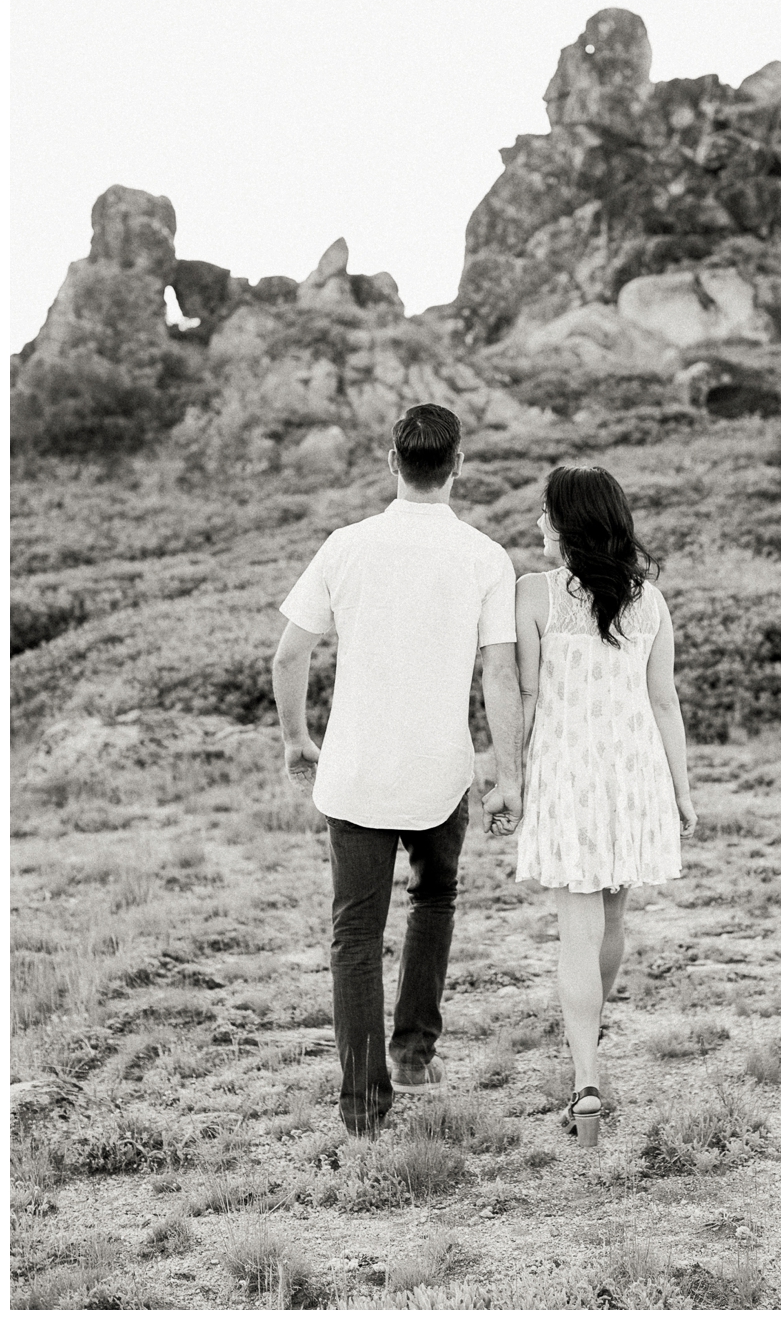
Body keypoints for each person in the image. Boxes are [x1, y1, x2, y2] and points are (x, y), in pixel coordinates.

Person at [272, 404, 524, 1138]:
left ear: (392, 462)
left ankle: (362, 1106)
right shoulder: (484, 555)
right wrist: (506, 774)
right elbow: (500, 674)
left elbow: (289, 655)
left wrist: (296, 739)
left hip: (352, 771)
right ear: (460, 465)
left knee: (354, 934)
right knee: (435, 898)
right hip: (439, 773)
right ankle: (413, 1054)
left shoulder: (346, 546)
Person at [508, 465, 698, 1143]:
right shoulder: (651, 601)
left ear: (567, 522)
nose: (537, 521)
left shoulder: (534, 594)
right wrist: (679, 787)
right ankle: (590, 1034)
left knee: (577, 933)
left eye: (544, 510)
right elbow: (665, 700)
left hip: (568, 773)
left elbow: (526, 697)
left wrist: (510, 776)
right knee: (612, 918)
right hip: (632, 772)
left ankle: (585, 1080)